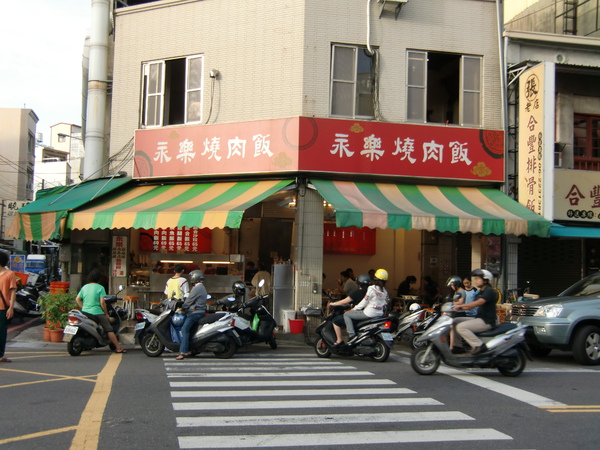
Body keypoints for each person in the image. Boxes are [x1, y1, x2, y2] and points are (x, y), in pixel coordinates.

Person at [76, 269, 126, 354]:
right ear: (99, 279)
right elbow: (103, 302)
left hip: (85, 312)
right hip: (97, 313)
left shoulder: (85, 287)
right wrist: (106, 314)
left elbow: (77, 299)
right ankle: (118, 348)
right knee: (109, 329)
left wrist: (83, 307)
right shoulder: (100, 288)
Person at [451, 268, 498, 355]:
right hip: (478, 318)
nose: (475, 281)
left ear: (485, 280)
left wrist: (460, 306)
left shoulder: (489, 291)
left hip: (486, 321)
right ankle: (458, 346)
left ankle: (479, 345)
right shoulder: (481, 291)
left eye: (477, 279)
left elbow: (478, 303)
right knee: (454, 321)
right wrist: (454, 308)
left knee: (461, 327)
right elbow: (470, 306)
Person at [343, 269, 389, 341]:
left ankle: (352, 336)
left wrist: (355, 309)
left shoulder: (372, 288)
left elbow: (364, 301)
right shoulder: (385, 291)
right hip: (379, 314)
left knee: (346, 314)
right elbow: (385, 303)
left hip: (368, 314)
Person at [329, 274, 371, 346]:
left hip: (358, 315)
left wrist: (334, 304)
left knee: (335, 321)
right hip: (368, 315)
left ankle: (339, 340)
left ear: (358, 283)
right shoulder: (370, 293)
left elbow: (345, 301)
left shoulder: (357, 292)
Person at [176, 270, 208, 360]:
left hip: (195, 312)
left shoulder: (197, 288)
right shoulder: (201, 287)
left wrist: (183, 307)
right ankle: (191, 348)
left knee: (184, 329)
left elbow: (189, 300)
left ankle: (183, 352)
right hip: (199, 311)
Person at [0, 252, 17, 363]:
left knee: (1, 332)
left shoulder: (10, 274)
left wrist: (11, 307)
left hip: (2, 308)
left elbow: (13, 292)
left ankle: (0, 355)